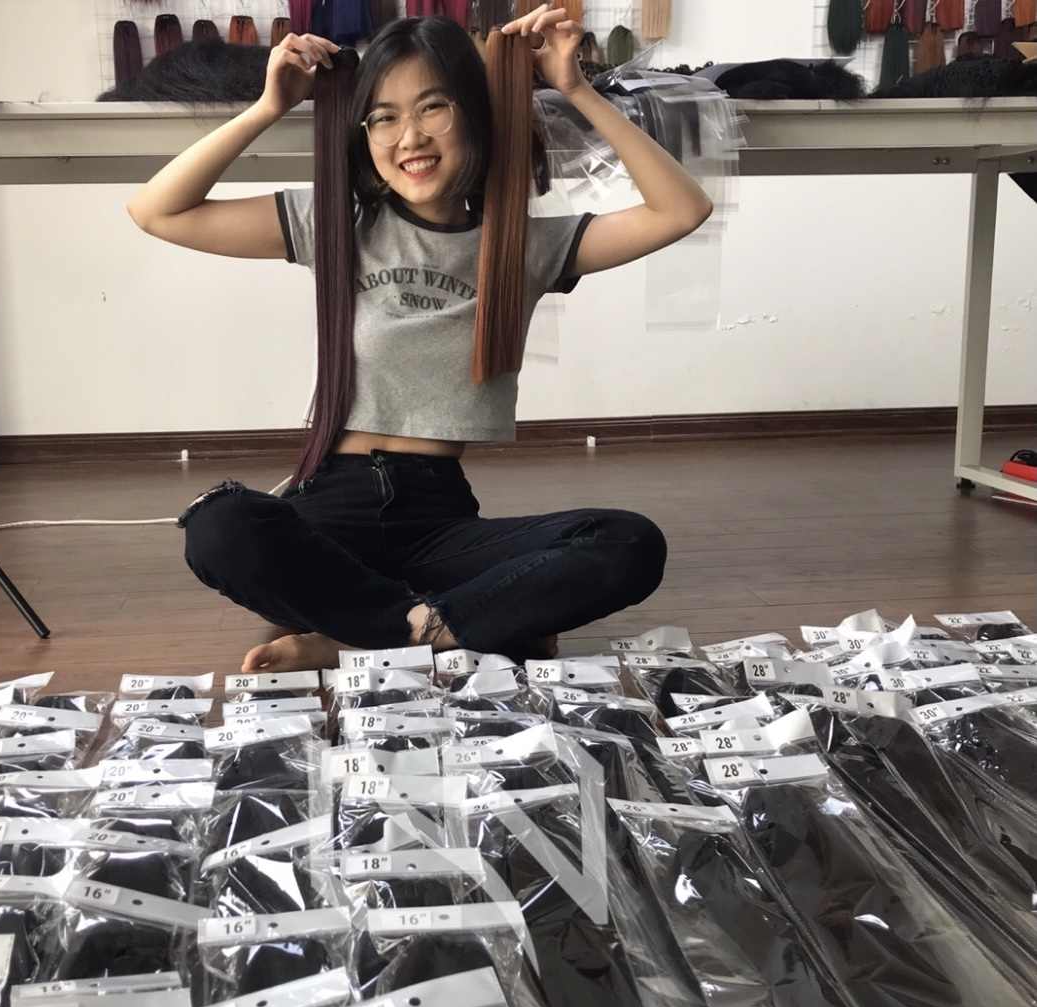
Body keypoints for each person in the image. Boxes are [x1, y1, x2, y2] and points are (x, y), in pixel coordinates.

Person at [126, 6, 712, 673]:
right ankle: (452, 624)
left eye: (433, 107)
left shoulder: (521, 246)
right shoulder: (339, 223)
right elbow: (156, 210)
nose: (409, 136)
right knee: (220, 524)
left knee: (628, 541)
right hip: (330, 509)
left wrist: (573, 87)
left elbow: (681, 209)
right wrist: (269, 108)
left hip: (439, 521)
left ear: (475, 115)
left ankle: (360, 632)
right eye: (383, 116)